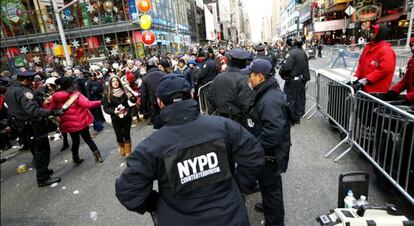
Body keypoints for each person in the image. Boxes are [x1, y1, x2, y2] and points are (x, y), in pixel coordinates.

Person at [115, 75, 264, 226]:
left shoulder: (151, 146)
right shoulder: (224, 127)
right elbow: (254, 154)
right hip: (230, 216)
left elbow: (128, 191)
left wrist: (157, 205)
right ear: (192, 95)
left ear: (160, 103)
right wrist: (238, 187)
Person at [242, 59, 291, 226]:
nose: (249, 78)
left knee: (272, 190)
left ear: (260, 76)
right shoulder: (266, 92)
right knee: (268, 187)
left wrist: (254, 149)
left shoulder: (269, 99)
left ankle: (275, 222)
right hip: (266, 153)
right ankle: (269, 207)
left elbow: (272, 133)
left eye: (251, 75)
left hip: (270, 155)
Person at [5, 71, 64, 187]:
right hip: (33, 125)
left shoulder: (10, 91)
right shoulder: (24, 92)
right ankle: (43, 178)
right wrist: (53, 112)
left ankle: (43, 170)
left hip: (22, 125)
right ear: (26, 80)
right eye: (30, 81)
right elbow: (34, 111)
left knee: (35, 150)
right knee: (42, 150)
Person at [46, 77, 104, 164]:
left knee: (75, 140)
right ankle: (98, 157)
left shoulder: (55, 96)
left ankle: (75, 158)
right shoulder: (76, 95)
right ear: (71, 85)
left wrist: (46, 103)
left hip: (68, 124)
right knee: (88, 139)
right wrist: (100, 102)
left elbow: (50, 109)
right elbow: (88, 104)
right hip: (81, 121)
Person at [208, 48, 254, 124]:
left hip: (221, 117)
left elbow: (210, 96)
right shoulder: (244, 79)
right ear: (244, 63)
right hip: (237, 119)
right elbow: (246, 103)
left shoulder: (219, 77)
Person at [353, 24, 396, 93]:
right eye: (371, 32)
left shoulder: (386, 50)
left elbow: (385, 69)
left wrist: (368, 79)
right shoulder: (368, 47)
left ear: (379, 34)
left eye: (374, 32)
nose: (371, 34)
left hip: (376, 91)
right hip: (364, 88)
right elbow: (361, 63)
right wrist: (356, 75)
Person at [279, 37, 310, 124]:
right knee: (298, 99)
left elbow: (286, 67)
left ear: (288, 45)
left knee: (290, 99)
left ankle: (291, 118)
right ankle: (297, 117)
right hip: (301, 79)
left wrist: (282, 74)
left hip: (293, 80)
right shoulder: (302, 52)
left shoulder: (291, 53)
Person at [103, 76, 136, 157]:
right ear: (110, 83)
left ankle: (128, 152)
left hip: (126, 116)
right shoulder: (107, 94)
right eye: (113, 81)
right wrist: (114, 111)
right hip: (115, 118)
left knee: (126, 134)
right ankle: (121, 146)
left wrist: (130, 96)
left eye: (117, 81)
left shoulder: (124, 91)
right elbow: (106, 108)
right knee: (119, 137)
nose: (115, 82)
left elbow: (133, 100)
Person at [386, 37, 414, 103]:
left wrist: (408, 97)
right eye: (412, 45)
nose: (413, 48)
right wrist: (394, 91)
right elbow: (406, 80)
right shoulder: (411, 61)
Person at [141, 57, 167, 128]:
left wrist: (144, 110)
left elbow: (143, 95)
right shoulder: (164, 74)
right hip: (165, 100)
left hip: (154, 102)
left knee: (159, 124)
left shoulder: (145, 78)